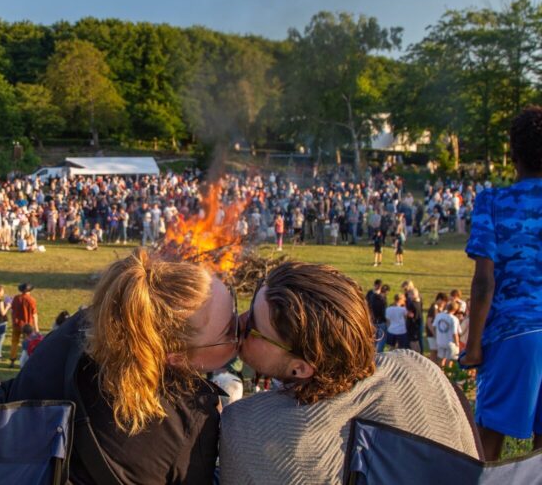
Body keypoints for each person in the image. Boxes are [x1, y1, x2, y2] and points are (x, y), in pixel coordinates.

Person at [220, 261, 477, 484]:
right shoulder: (419, 370)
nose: (239, 321)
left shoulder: (248, 427)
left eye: (252, 325)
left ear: (301, 367)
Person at [3, 249, 232, 484]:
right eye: (231, 331)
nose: (243, 323)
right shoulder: (188, 423)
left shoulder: (74, 333)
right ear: (176, 357)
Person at [460, 106, 542, 459]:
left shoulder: (493, 201)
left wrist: (474, 345)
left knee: (486, 448)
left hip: (513, 334)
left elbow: (483, 284)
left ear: (512, 152)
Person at [9, 282, 38, 367]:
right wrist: (36, 328)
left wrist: (13, 321)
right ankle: (25, 360)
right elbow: (34, 314)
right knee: (27, 344)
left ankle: (12, 360)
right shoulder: (32, 300)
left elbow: (12, 311)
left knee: (14, 342)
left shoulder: (16, 298)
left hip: (17, 324)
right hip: (27, 326)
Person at [433, 302, 462, 368]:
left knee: (441, 359)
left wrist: (436, 336)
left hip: (440, 341)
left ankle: (441, 372)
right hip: (450, 342)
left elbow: (434, 327)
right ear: (455, 310)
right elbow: (455, 333)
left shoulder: (439, 315)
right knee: (449, 360)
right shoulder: (454, 319)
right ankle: (448, 373)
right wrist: (457, 343)